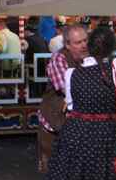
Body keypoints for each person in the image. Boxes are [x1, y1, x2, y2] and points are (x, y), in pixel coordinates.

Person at [46, 27, 116, 179]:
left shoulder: (72, 73)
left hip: (74, 135)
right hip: (103, 137)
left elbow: (72, 106)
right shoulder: (115, 66)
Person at [37, 24, 88, 173]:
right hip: (54, 121)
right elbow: (68, 89)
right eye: (78, 43)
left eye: (85, 41)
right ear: (67, 44)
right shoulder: (59, 58)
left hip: (75, 123)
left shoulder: (89, 58)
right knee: (54, 169)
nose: (84, 45)